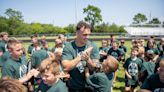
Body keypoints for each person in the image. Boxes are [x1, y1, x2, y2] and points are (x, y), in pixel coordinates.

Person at [62, 21, 100, 92]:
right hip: (73, 87)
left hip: (90, 86)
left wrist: (88, 60)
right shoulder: (69, 47)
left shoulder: (93, 46)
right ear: (77, 33)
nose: (87, 37)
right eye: (84, 35)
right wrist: (81, 57)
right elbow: (66, 67)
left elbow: (95, 68)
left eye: (89, 34)